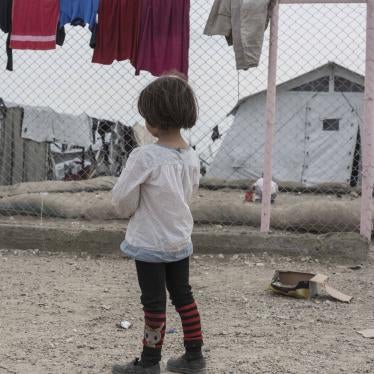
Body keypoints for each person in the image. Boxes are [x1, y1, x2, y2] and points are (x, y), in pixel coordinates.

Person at [111, 74, 206, 374]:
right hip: (180, 240)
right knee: (183, 296)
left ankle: (150, 363)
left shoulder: (144, 156)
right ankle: (194, 356)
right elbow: (188, 194)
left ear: (152, 120)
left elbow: (122, 200)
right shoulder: (191, 157)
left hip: (150, 242)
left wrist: (134, 206)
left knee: (153, 303)